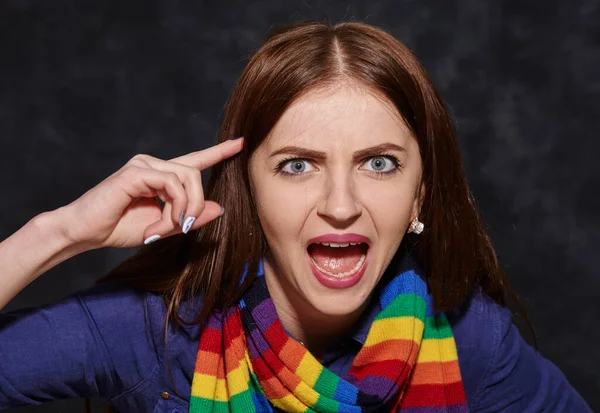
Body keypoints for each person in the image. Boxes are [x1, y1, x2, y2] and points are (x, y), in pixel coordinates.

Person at [0, 21, 592, 413]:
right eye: (297, 166)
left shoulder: (471, 341)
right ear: (248, 192)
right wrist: (58, 233)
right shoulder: (154, 334)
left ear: (420, 196)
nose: (340, 205)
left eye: (379, 163)